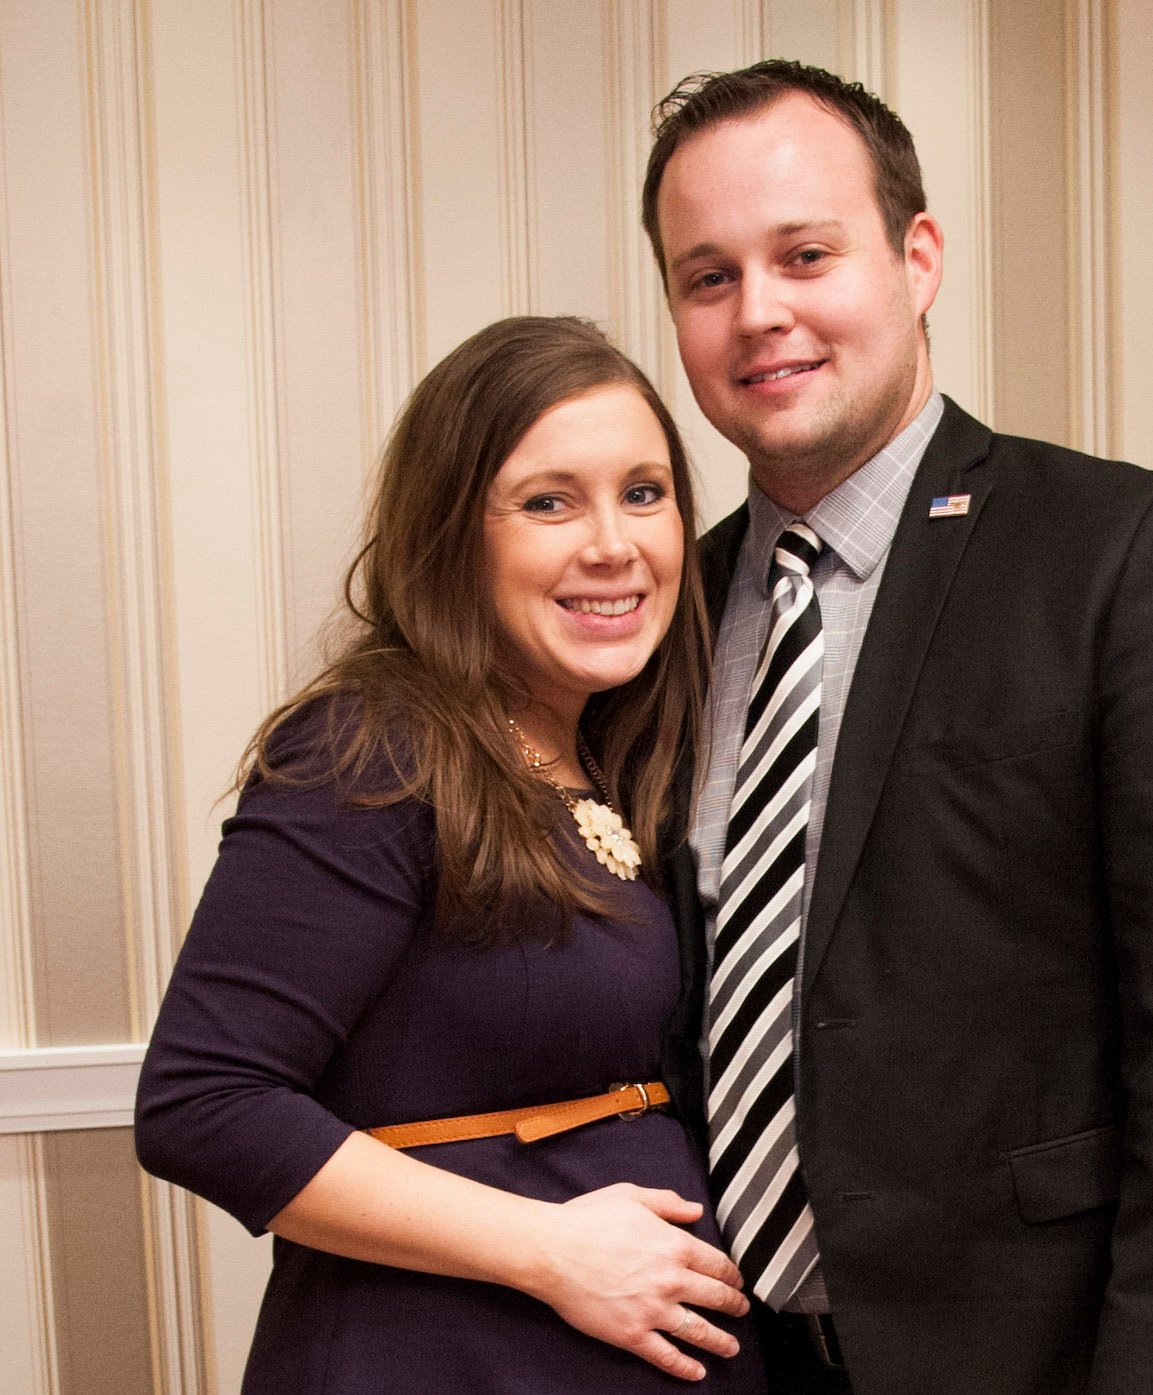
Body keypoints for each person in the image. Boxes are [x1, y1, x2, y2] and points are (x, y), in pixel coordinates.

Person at [641, 60, 1153, 1395]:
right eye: (708, 276)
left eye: (807, 253)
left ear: (918, 256)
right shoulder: (671, 608)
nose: (759, 313)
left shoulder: (1127, 552)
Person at [134, 317, 765, 1392]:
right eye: (549, 501)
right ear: (453, 534)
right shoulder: (374, 746)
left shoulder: (613, 760)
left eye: (645, 493)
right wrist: (551, 1248)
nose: (614, 543)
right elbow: (204, 1101)